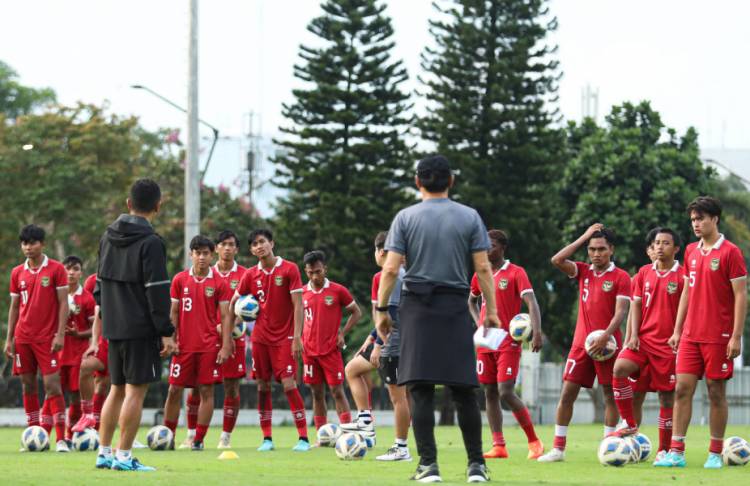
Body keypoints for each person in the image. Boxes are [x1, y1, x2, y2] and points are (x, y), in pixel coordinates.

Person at [376, 154, 499, 483]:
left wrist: (381, 311)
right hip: (456, 307)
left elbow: (390, 268)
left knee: (420, 389)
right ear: (451, 182)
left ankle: (428, 466)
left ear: (418, 182)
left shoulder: (405, 217)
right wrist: (493, 312)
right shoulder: (470, 217)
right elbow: (483, 267)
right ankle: (476, 466)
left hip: (416, 308)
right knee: (463, 390)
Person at [655, 196, 747, 469]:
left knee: (715, 391)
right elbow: (686, 292)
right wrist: (677, 329)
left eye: (701, 219)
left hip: (718, 336)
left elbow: (741, 296)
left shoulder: (731, 252)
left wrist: (736, 335)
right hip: (690, 336)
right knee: (681, 389)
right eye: (693, 219)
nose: (696, 224)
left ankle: (715, 453)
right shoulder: (692, 252)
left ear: (714, 219)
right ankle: (676, 452)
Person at [95, 179, 177, 472]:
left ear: (128, 203)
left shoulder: (106, 237)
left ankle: (103, 453)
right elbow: (157, 291)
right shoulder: (152, 243)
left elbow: (98, 286)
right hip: (140, 330)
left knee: (115, 389)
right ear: (158, 205)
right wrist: (166, 331)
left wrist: (110, 314)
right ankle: (124, 457)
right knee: (134, 392)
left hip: (114, 328)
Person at [539, 224, 631, 463]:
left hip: (609, 346)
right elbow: (557, 259)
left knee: (610, 395)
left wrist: (605, 336)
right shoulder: (582, 271)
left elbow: (621, 313)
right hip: (581, 345)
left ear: (611, 249)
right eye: (592, 249)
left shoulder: (621, 277)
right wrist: (584, 236)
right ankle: (558, 449)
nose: (596, 253)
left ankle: (608, 447)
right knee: (567, 394)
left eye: (601, 249)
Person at [230, 228, 310, 452]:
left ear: (272, 243)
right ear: (251, 249)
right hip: (260, 339)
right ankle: (267, 438)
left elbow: (298, 306)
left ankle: (303, 438)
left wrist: (297, 337)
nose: (259, 246)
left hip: (285, 338)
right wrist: (230, 326)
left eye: (262, 242)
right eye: (254, 244)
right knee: (262, 386)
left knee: (288, 384)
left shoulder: (289, 269)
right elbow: (234, 302)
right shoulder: (250, 275)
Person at [468, 230, 544, 460]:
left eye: (490, 245)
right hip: (485, 342)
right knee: (489, 391)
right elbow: (471, 300)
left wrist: (536, 332)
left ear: (502, 247)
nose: (486, 249)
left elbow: (531, 303)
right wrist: (478, 324)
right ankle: (499, 445)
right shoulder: (480, 273)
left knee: (505, 391)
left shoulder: (516, 273)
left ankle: (534, 441)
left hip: (507, 341)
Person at [611, 228, 682, 462]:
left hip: (668, 348)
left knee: (666, 398)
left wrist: (680, 336)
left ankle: (663, 450)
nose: (660, 247)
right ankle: (630, 423)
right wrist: (632, 335)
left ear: (676, 248)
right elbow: (636, 307)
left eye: (666, 243)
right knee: (619, 369)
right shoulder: (643, 273)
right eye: (657, 243)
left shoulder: (683, 276)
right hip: (642, 342)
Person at [163, 235, 233, 450]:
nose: (201, 257)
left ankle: (199, 440)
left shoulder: (219, 282)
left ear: (212, 256)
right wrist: (171, 339)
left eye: (205, 253)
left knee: (206, 392)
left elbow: (226, 316)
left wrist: (226, 344)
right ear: (191, 254)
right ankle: (168, 437)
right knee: (174, 390)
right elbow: (173, 312)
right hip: (183, 346)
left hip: (208, 347)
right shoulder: (180, 280)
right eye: (197, 253)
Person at [180, 230, 248, 450]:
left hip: (232, 339)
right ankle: (191, 436)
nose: (227, 248)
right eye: (223, 244)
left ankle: (225, 437)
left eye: (231, 244)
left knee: (231, 387)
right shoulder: (204, 273)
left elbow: (251, 308)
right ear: (215, 249)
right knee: (196, 387)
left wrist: (231, 325)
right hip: (203, 339)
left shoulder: (245, 275)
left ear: (236, 249)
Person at [5, 224, 70, 452]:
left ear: (42, 244)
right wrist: (9, 339)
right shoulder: (17, 272)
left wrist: (60, 334)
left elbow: (64, 304)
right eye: (24, 243)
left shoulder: (56, 269)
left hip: (47, 338)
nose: (28, 247)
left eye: (32, 243)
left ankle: (62, 438)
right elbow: (14, 307)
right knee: (28, 385)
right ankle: (32, 433)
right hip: (23, 338)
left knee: (53, 386)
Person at [301, 250, 362, 436]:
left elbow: (356, 312)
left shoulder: (337, 290)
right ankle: (322, 435)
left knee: (337, 391)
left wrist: (342, 333)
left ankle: (347, 433)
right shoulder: (301, 293)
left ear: (324, 269)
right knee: (317, 394)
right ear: (306, 271)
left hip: (330, 351)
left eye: (318, 271)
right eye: (311, 272)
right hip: (309, 352)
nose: (315, 276)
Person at [366, 232, 412, 462]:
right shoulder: (400, 273)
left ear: (380, 252)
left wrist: (377, 344)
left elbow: (390, 315)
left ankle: (401, 448)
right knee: (401, 396)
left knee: (398, 397)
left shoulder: (391, 275)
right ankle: (402, 445)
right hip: (402, 341)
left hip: (394, 343)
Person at [60, 256, 96, 441]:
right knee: (54, 394)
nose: (71, 272)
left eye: (75, 269)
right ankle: (47, 435)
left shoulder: (87, 298)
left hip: (76, 355)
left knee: (74, 397)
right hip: (56, 353)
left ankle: (69, 437)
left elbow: (95, 328)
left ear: (81, 272)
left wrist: (78, 334)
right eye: (67, 269)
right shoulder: (55, 294)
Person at [72, 273, 111, 433]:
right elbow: (97, 313)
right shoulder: (95, 281)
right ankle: (88, 415)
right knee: (88, 367)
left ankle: (125, 433)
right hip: (105, 340)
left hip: (127, 339)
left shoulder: (132, 275)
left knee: (117, 386)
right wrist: (93, 342)